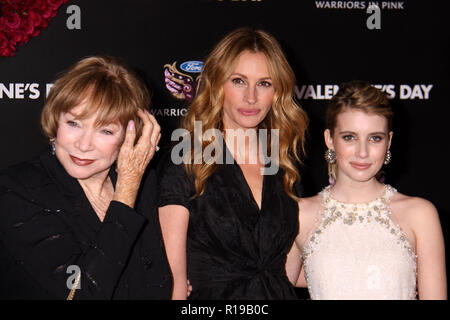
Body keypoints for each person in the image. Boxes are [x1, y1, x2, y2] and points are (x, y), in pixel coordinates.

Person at [0, 56, 172, 299]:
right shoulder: (16, 189)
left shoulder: (147, 186)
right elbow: (80, 293)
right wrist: (126, 190)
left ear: (130, 135)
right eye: (74, 123)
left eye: (105, 130)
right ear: (55, 119)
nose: (83, 144)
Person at [158, 27, 308, 300]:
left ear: (277, 91)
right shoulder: (188, 159)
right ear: (217, 85)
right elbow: (173, 281)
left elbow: (287, 270)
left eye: (264, 83)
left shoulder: (284, 168)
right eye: (239, 81)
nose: (251, 97)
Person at [286, 80, 447, 299]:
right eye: (349, 137)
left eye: (375, 138)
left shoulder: (419, 214)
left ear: (388, 141)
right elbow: (274, 284)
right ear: (329, 139)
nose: (362, 152)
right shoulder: (299, 214)